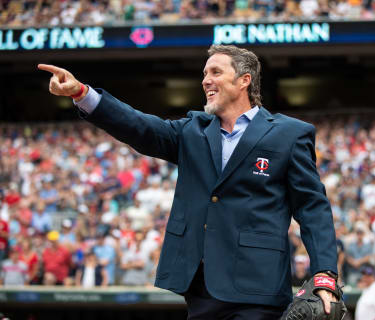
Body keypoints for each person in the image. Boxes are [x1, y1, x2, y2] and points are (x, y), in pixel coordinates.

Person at [38, 44, 338, 319]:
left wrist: (324, 275)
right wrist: (82, 93)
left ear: (244, 80)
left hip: (258, 287)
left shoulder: (289, 133)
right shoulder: (193, 130)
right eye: (204, 73)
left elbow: (312, 207)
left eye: (216, 72)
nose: (206, 80)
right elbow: (140, 127)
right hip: (201, 286)